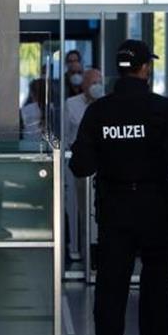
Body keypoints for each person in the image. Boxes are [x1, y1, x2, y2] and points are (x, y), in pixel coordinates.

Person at [70, 40, 168, 335]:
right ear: (144, 69)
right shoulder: (162, 109)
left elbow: (81, 166)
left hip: (115, 211)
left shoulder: (99, 112)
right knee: (158, 296)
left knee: (110, 297)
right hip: (156, 210)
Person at [63, 69, 103, 262]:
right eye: (92, 82)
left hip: (103, 163)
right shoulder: (71, 104)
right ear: (84, 84)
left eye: (99, 82)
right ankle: (78, 248)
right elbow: (63, 136)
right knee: (79, 207)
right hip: (79, 162)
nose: (96, 86)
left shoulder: (108, 103)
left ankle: (98, 247)